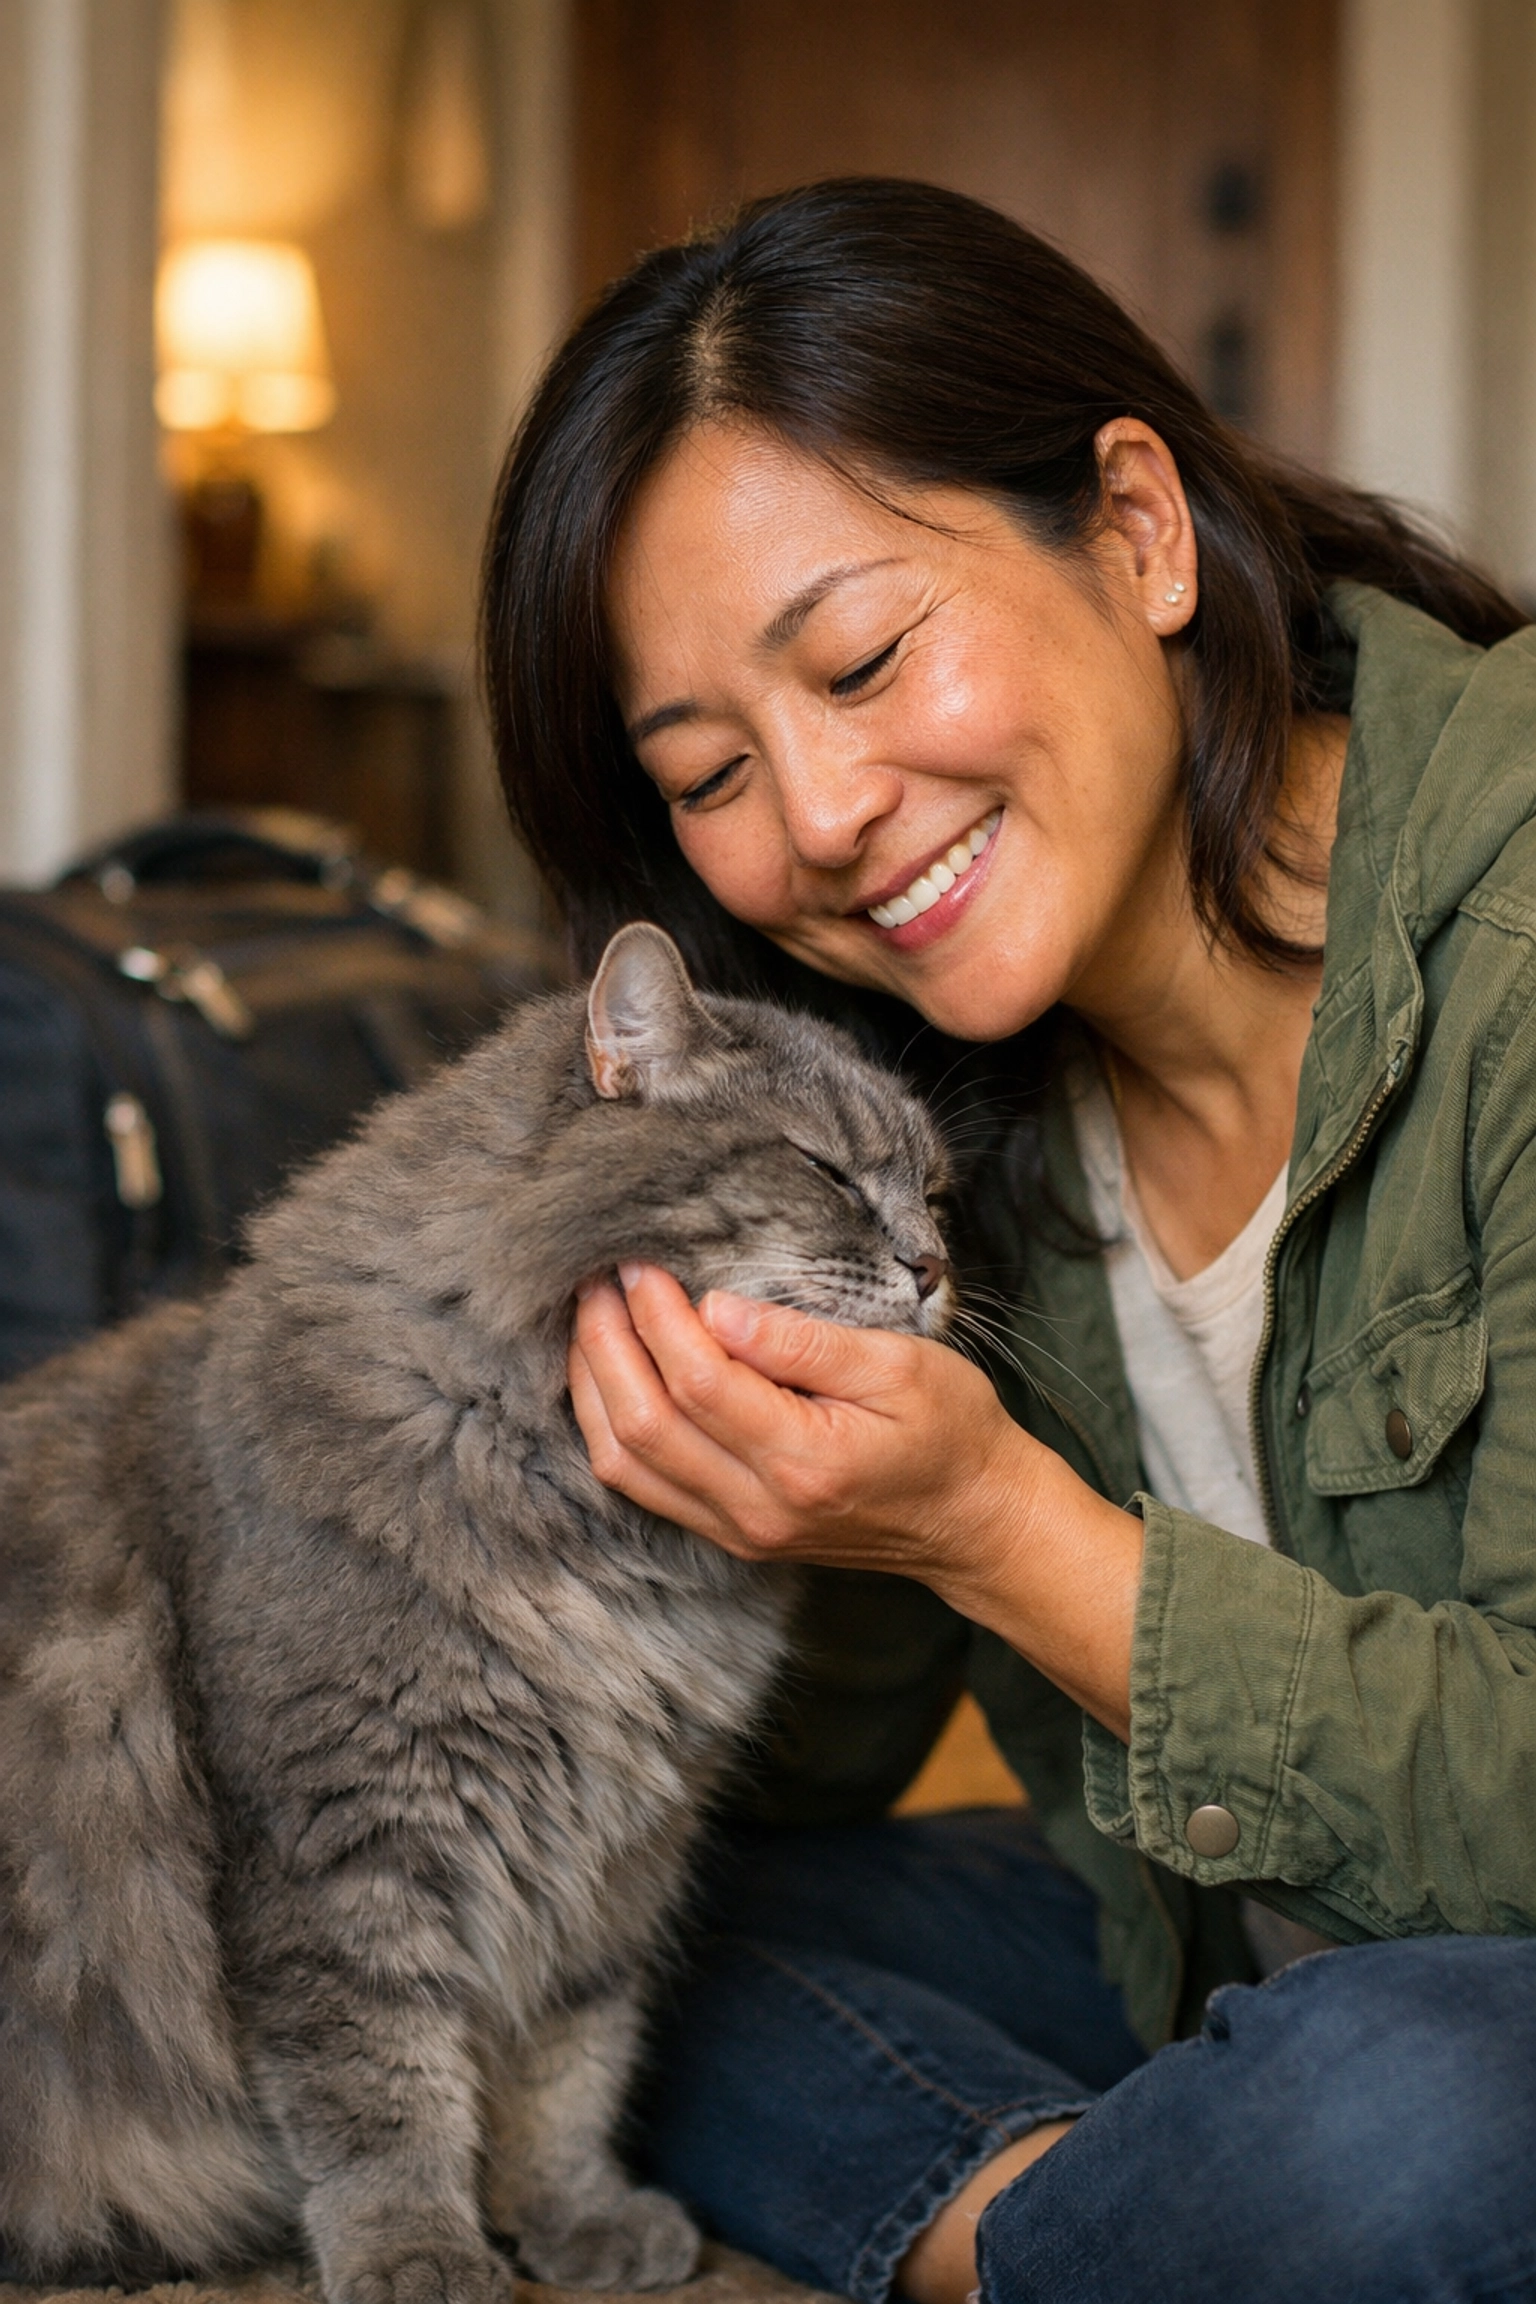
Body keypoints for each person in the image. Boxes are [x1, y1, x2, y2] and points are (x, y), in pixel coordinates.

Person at [479, 179, 1536, 2303]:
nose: (821, 824)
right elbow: (807, 1769)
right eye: (708, 772)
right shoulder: (923, 1096)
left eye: (864, 658)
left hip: (1470, 2012)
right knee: (578, 1941)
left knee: (1410, 2112)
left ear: (1140, 530)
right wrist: (694, 1461)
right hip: (1199, 1947)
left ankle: (1063, 2228)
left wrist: (986, 1521)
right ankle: (1123, 2230)